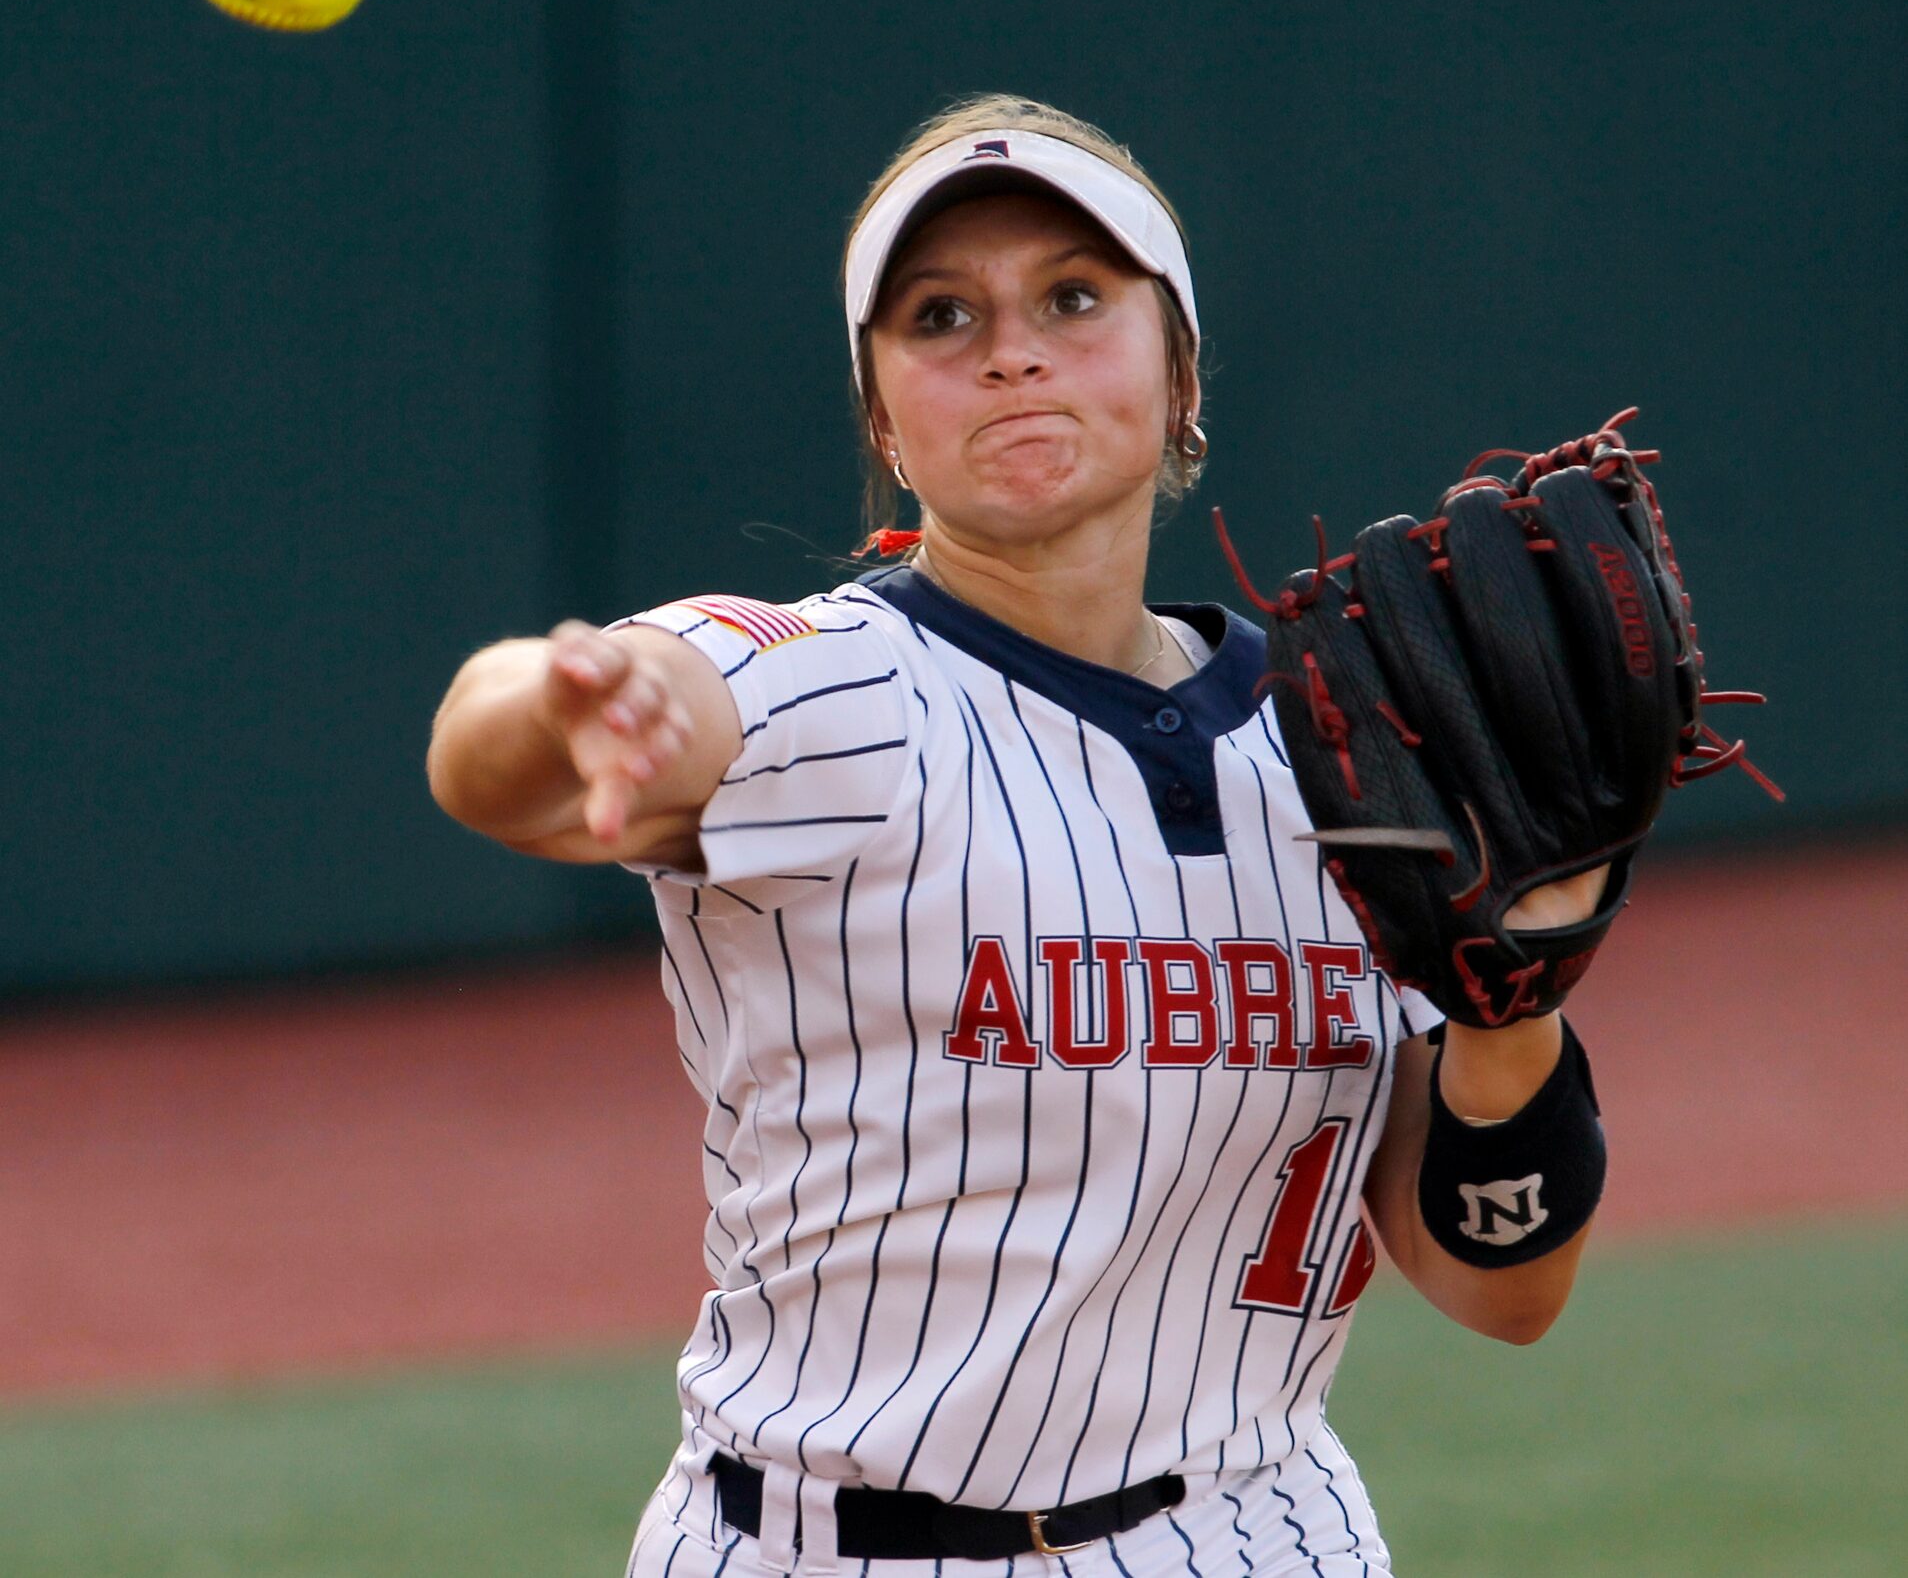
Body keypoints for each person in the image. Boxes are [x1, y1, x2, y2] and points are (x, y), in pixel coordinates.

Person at [428, 95, 1611, 1576]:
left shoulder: (1355, 750)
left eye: (1072, 295)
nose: (1010, 346)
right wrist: (562, 701)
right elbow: (502, 756)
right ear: (883, 417)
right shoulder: (829, 690)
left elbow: (1504, 1288)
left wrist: (1519, 1010)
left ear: (1180, 372)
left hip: (1256, 1535)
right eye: (940, 315)